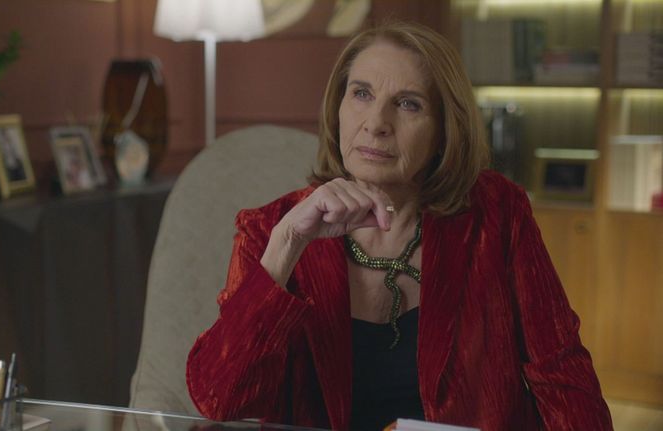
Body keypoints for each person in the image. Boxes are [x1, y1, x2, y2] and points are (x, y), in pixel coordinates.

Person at [186, 22, 612, 431]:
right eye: (361, 94)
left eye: (408, 104)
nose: (376, 123)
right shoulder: (270, 230)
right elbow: (220, 400)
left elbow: (562, 377)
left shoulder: (497, 214)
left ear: (444, 129)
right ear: (337, 108)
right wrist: (288, 242)